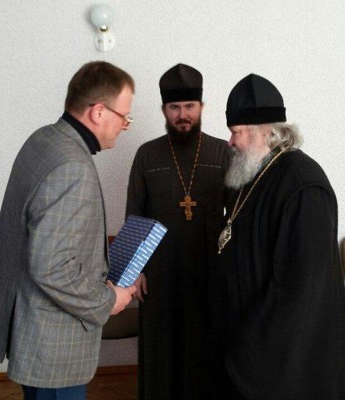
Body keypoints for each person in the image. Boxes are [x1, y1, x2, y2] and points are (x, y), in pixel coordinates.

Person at [0, 61, 137, 400]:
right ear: (98, 112)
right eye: (124, 117)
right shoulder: (72, 166)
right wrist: (108, 300)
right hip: (53, 345)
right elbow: (51, 266)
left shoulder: (44, 139)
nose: (125, 126)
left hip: (30, 327)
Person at [213, 74, 345, 400]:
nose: (230, 142)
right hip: (248, 332)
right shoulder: (253, 173)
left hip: (289, 352)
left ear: (265, 131)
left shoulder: (303, 184)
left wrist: (252, 341)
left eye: (236, 132)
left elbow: (302, 285)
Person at [126, 63, 231, 400]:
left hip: (210, 269)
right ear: (164, 110)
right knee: (162, 348)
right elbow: (134, 214)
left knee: (208, 346)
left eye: (189, 106)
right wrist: (135, 271)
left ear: (201, 107)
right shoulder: (147, 155)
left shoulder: (223, 152)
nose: (182, 115)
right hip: (160, 273)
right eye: (174, 107)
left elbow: (237, 215)